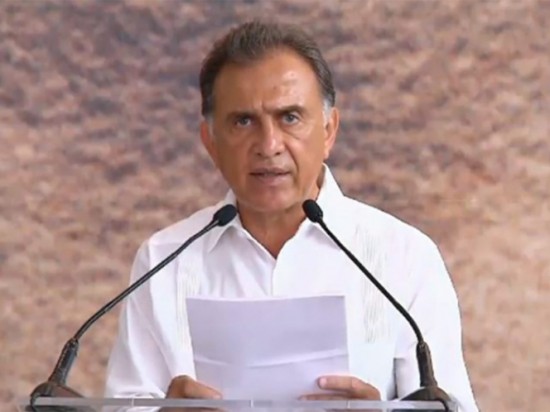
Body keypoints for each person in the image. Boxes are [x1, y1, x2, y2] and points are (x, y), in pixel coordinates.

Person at [105, 20, 478, 411]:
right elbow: (120, 404)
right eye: (243, 121)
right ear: (211, 142)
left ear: (329, 131)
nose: (268, 145)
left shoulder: (405, 256)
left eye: (290, 118)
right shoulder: (164, 260)